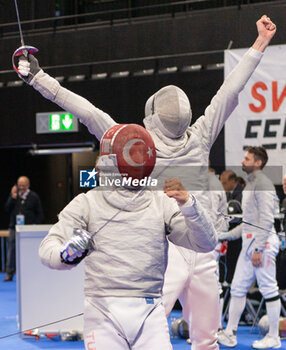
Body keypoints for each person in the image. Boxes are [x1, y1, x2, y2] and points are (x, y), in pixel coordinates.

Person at [16, 14, 276, 349]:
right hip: (177, 242)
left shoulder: (134, 145)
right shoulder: (195, 138)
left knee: (159, 329)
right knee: (203, 340)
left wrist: (36, 76)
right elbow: (230, 89)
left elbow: (84, 109)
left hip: (179, 242)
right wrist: (259, 44)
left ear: (151, 114)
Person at [38, 123, 217, 350]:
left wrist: (189, 205)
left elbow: (205, 243)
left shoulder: (161, 202)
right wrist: (67, 254)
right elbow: (47, 250)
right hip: (102, 313)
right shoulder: (87, 203)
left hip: (150, 312)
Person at [218, 147, 281, 349]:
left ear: (258, 163)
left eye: (247, 158)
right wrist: (223, 235)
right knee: (237, 289)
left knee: (268, 288)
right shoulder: (250, 185)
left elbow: (266, 220)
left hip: (263, 244)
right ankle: (230, 333)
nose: (243, 161)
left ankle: (274, 337)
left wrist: (259, 249)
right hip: (250, 244)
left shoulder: (263, 184)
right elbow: (248, 224)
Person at [4, 176, 43, 281]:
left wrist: (35, 225)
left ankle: (31, 272)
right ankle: (9, 273)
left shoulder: (34, 196)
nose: (21, 187)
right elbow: (7, 209)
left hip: (28, 229)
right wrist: (12, 197)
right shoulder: (14, 196)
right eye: (19, 185)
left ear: (28, 185)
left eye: (23, 185)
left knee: (30, 251)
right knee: (11, 251)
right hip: (14, 228)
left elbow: (39, 213)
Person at [220, 170, 244, 284]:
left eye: (224, 183)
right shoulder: (228, 193)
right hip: (231, 232)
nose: (222, 186)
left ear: (233, 181)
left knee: (235, 260)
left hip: (240, 234)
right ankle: (229, 281)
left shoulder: (242, 194)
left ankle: (232, 281)